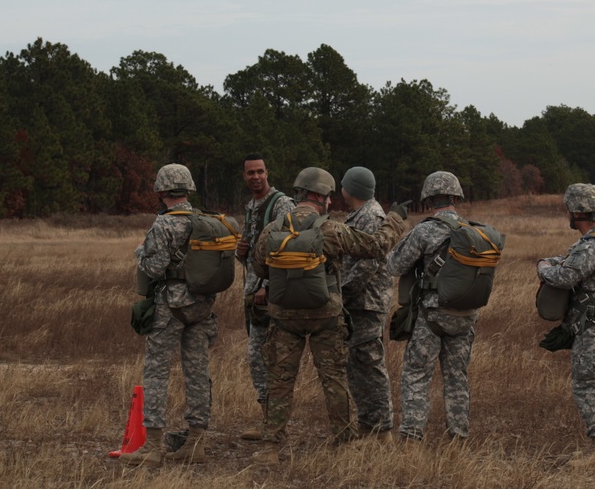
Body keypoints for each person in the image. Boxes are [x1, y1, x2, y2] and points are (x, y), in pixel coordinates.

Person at [249, 167, 409, 464]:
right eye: (328, 197)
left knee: (280, 380)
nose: (331, 203)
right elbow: (376, 247)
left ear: (298, 193)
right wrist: (396, 219)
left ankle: (271, 446)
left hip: (285, 316)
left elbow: (259, 267)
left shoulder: (273, 229)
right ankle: (344, 440)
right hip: (326, 315)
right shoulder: (331, 229)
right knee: (333, 379)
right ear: (319, 197)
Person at [121, 164, 225, 466]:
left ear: (162, 191)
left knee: (156, 371)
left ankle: (153, 447)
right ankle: (195, 443)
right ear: (188, 189)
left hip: (170, 306)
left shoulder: (163, 225)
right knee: (197, 373)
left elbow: (153, 269)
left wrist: (140, 252)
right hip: (201, 306)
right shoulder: (204, 220)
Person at [386, 171, 478, 442]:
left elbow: (394, 265)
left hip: (431, 317)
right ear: (455, 197)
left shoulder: (424, 230)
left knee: (416, 374)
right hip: (465, 317)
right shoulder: (473, 231)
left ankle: (412, 438)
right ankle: (458, 439)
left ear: (428, 200)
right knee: (457, 379)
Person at [536, 183, 595, 469]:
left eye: (570, 209)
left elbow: (565, 276)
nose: (568, 214)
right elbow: (571, 261)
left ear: (578, 212)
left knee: (589, 385)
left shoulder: (594, 246)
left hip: (592, 328)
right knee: (589, 382)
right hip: (592, 325)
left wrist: (543, 267)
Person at [235, 154, 296, 441]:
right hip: (253, 293)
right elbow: (256, 254)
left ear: (267, 172)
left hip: (271, 294)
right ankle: (268, 421)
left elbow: (287, 249)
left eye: (260, 171)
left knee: (271, 358)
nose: (255, 177)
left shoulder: (281, 203)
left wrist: (267, 286)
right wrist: (241, 253)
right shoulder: (251, 206)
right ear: (244, 176)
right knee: (257, 357)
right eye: (250, 173)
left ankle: (276, 427)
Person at [339, 166, 394, 440]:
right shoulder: (359, 215)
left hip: (366, 302)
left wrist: (343, 291)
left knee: (370, 364)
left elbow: (369, 262)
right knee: (358, 365)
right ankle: (367, 424)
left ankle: (381, 430)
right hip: (358, 302)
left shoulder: (371, 216)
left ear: (351, 188)